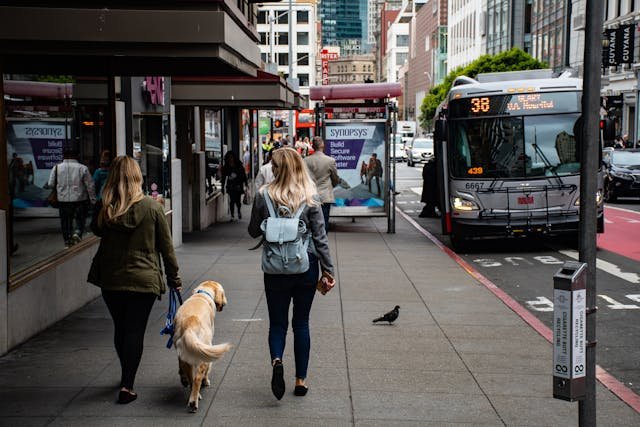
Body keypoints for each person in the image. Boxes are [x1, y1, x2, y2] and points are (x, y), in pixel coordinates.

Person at [88, 155, 182, 404]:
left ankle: (125, 375)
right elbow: (166, 247)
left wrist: (104, 201)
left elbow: (95, 229)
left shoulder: (106, 208)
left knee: (121, 327)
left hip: (112, 279)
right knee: (135, 330)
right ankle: (127, 384)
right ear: (137, 177)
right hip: (143, 280)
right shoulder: (152, 208)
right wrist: (174, 277)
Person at [248, 147, 336, 400]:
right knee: (301, 323)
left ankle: (277, 361)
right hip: (305, 266)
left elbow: (253, 231)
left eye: (273, 166)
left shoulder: (263, 195)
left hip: (274, 269)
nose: (272, 169)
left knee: (277, 323)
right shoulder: (311, 197)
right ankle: (300, 380)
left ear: (278, 169)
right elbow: (321, 239)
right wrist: (328, 271)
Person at [48, 148, 96, 247]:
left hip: (63, 200)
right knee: (80, 218)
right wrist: (93, 199)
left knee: (65, 221)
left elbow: (51, 184)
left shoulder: (57, 168)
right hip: (80, 199)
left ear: (64, 156)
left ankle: (67, 241)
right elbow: (90, 185)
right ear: (76, 155)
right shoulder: (83, 168)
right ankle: (77, 233)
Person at [304, 136, 340, 233]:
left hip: (310, 195)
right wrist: (332, 185)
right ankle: (323, 243)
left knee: (311, 223)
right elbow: (335, 178)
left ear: (312, 146)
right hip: (325, 196)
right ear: (323, 145)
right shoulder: (330, 161)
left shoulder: (306, 160)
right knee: (324, 222)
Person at [220, 151, 248, 220]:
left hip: (238, 185)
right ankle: (232, 215)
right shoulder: (226, 167)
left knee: (238, 200)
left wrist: (246, 183)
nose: (230, 159)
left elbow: (243, 175)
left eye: (231, 158)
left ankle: (238, 210)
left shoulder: (238, 165)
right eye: (229, 158)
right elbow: (223, 177)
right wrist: (222, 187)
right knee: (231, 201)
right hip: (231, 185)